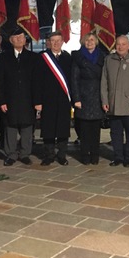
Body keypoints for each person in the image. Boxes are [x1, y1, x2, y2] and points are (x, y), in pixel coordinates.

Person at [0, 28, 38, 166]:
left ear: (25, 40)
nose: (19, 40)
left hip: (28, 98)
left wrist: (37, 101)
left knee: (27, 126)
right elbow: (0, 81)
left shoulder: (33, 57)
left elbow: (37, 81)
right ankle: (11, 154)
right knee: (10, 126)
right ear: (11, 40)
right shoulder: (3, 57)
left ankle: (25, 153)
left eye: (21, 37)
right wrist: (2, 100)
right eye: (16, 38)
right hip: (10, 99)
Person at [101, 35, 129, 167]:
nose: (120, 47)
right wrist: (104, 100)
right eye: (118, 44)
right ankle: (118, 157)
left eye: (123, 44)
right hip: (113, 104)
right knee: (115, 133)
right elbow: (104, 82)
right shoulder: (109, 60)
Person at [35, 31, 73, 165]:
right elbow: (37, 82)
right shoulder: (42, 57)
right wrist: (38, 101)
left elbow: (72, 80)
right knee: (48, 129)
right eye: (53, 41)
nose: (56, 43)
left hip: (63, 99)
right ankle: (49, 155)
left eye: (58, 40)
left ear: (62, 42)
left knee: (63, 128)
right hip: (47, 99)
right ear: (49, 43)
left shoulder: (68, 58)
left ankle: (62, 155)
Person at [71, 32, 105, 165]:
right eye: (87, 40)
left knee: (96, 130)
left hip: (98, 96)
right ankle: (85, 155)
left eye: (92, 40)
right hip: (83, 97)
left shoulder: (102, 56)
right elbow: (74, 79)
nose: (89, 42)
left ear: (96, 42)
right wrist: (76, 99)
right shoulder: (78, 57)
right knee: (84, 131)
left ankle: (95, 156)